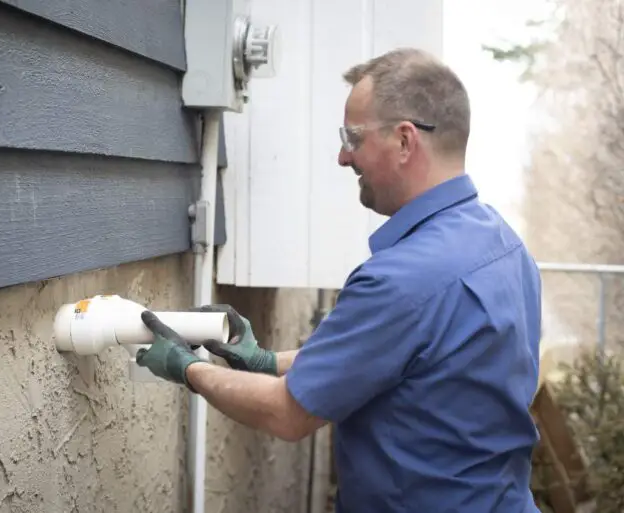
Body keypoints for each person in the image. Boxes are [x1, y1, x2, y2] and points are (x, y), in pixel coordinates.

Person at [135, 47, 542, 513]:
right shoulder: (506, 247)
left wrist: (188, 368)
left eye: (353, 137)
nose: (343, 156)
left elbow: (287, 413)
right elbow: (396, 355)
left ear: (406, 141)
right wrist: (267, 361)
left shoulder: (401, 281)